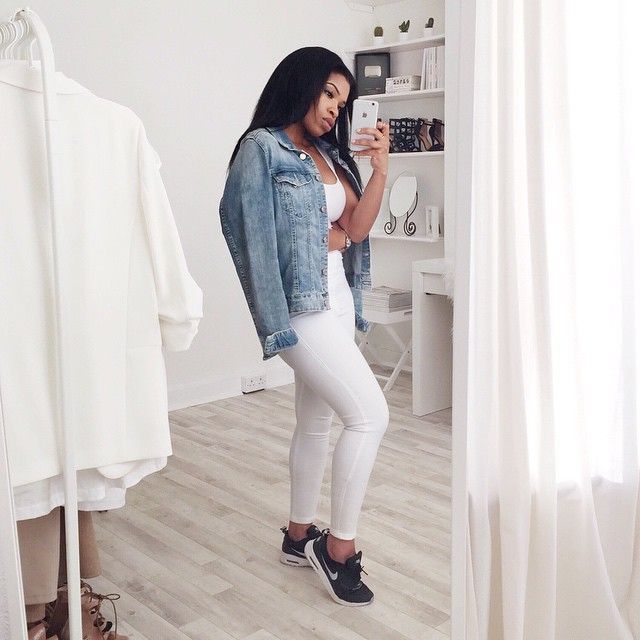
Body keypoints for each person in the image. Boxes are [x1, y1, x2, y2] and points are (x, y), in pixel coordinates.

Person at [219, 47, 390, 606]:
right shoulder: (260, 149)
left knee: (315, 423)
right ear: (301, 84)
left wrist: (380, 170)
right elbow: (250, 231)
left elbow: (356, 229)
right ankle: (337, 550)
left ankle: (298, 536)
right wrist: (326, 238)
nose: (336, 109)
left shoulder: (327, 153)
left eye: (343, 101)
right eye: (329, 93)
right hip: (299, 308)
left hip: (337, 301)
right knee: (370, 415)